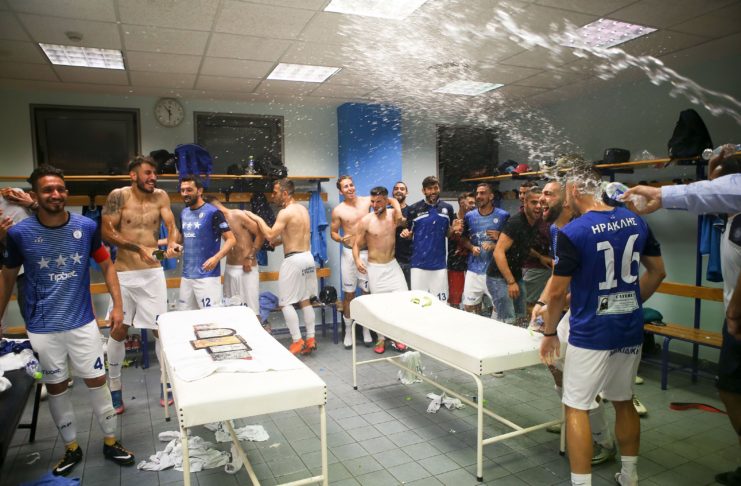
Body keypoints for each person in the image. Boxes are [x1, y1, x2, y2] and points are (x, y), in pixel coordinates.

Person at [0, 165, 135, 476]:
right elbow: (7, 277)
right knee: (57, 386)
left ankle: (111, 441)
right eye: (48, 189)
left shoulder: (86, 226)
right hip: (43, 328)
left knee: (97, 381)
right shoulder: (19, 234)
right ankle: (71, 448)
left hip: (82, 323)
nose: (56, 194)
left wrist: (118, 306)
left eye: (60, 188)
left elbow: (107, 265)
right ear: (35, 196)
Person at [540, 171, 666, 486]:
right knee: (624, 399)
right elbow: (657, 272)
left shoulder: (574, 231)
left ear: (573, 191)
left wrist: (549, 333)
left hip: (591, 333)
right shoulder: (635, 221)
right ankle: (630, 475)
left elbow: (556, 293)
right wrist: (629, 304)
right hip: (629, 328)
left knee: (576, 407)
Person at [624, 146, 741, 486]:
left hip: (738, 318)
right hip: (735, 317)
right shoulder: (730, 218)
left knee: (730, 387)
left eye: (717, 184)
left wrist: (735, 310)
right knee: (730, 388)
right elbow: (711, 193)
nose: (711, 191)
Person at [532, 180, 618, 465]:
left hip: (592, 314)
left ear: (567, 200)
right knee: (554, 365)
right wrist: (543, 302)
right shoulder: (556, 230)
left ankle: (603, 440)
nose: (541, 200)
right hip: (574, 308)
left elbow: (593, 280)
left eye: (548, 194)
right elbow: (558, 274)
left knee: (580, 378)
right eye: (541, 194)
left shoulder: (583, 229)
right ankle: (573, 418)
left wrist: (557, 304)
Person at [101, 155, 180, 412]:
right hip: (124, 274)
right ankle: (114, 388)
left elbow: (171, 225)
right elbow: (106, 231)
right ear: (133, 175)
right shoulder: (118, 196)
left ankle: (166, 383)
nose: (153, 177)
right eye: (147, 173)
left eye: (155, 173)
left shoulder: (161, 197)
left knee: (160, 330)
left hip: (152, 274)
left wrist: (172, 242)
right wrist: (138, 248)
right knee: (119, 330)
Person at [247, 179, 319, 355]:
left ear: (285, 193)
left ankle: (297, 341)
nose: (273, 196)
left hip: (294, 260)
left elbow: (270, 234)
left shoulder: (285, 212)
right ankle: (311, 338)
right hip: (307, 257)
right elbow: (294, 234)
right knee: (305, 300)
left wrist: (256, 217)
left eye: (275, 192)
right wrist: (279, 242)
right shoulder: (302, 209)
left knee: (285, 302)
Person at [353, 186, 407, 353]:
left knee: (403, 300)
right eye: (372, 201)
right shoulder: (366, 221)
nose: (375, 205)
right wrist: (357, 260)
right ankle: (381, 339)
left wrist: (396, 206)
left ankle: (397, 337)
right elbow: (356, 245)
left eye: (379, 201)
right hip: (375, 268)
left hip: (392, 265)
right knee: (379, 306)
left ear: (386, 200)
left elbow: (400, 216)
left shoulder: (393, 215)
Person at [177, 176, 235, 310]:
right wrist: (171, 247)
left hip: (207, 277)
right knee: (185, 317)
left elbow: (232, 239)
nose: (185, 193)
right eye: (182, 190)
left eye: (189, 190)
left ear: (199, 191)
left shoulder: (213, 212)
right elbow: (180, 240)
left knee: (211, 318)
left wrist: (216, 258)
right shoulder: (184, 213)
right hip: (187, 276)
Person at [487, 187, 543, 325]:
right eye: (534, 202)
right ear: (525, 203)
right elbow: (498, 252)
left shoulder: (535, 221)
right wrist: (511, 282)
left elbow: (522, 245)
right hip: (498, 277)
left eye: (541, 202)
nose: (538, 206)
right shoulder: (516, 222)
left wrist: (541, 257)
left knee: (521, 318)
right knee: (508, 321)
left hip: (516, 275)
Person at [402, 176, 462, 302]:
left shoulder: (448, 208)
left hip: (439, 265)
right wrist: (406, 234)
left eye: (436, 188)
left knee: (441, 303)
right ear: (423, 191)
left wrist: (453, 229)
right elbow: (410, 234)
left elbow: (447, 234)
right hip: (418, 265)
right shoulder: (413, 209)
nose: (433, 191)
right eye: (429, 189)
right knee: (418, 304)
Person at [331, 175, 373, 348]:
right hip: (348, 254)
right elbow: (333, 232)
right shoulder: (338, 210)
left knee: (366, 293)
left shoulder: (367, 201)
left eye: (351, 185)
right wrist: (340, 238)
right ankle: (348, 331)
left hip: (366, 252)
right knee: (349, 294)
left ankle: (366, 329)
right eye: (345, 187)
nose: (350, 188)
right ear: (341, 191)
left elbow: (387, 202)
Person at [204, 196, 264, 315]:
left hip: (247, 269)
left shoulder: (238, 215)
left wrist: (250, 256)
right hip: (230, 268)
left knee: (252, 311)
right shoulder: (217, 222)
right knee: (230, 309)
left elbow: (261, 234)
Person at [460, 183, 509, 314]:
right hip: (474, 270)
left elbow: (512, 243)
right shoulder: (470, 216)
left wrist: (496, 243)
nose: (478, 196)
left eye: (482, 193)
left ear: (491, 196)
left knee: (499, 310)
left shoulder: (503, 215)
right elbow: (463, 239)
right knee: (469, 308)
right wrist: (471, 247)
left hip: (495, 272)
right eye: (477, 193)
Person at [447, 192, 475, 309]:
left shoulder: (476, 218)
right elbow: (444, 236)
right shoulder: (451, 218)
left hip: (473, 263)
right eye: (470, 203)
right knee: (455, 299)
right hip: (455, 263)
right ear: (461, 203)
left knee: (473, 299)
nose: (473, 205)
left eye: (474, 203)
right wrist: (452, 230)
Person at [393, 181, 413, 288]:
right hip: (390, 260)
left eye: (402, 189)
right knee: (392, 293)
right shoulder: (386, 212)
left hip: (407, 260)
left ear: (407, 193)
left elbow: (416, 232)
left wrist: (410, 235)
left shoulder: (412, 211)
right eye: (396, 188)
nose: (399, 191)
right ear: (393, 192)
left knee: (408, 291)